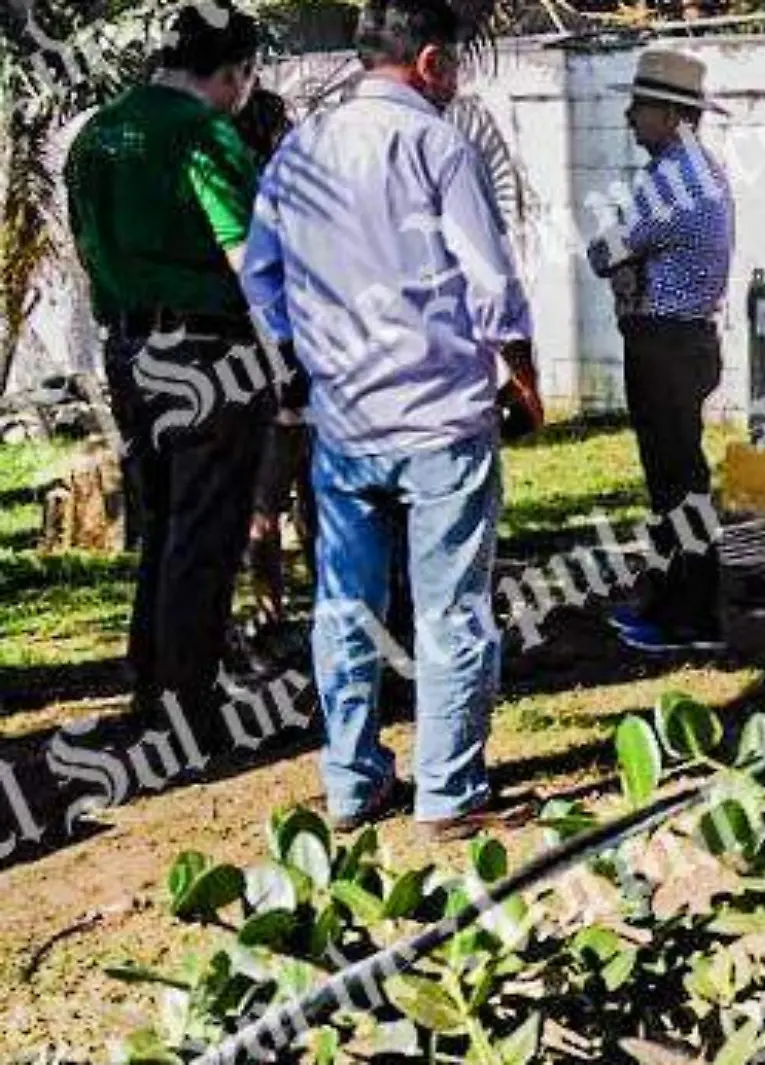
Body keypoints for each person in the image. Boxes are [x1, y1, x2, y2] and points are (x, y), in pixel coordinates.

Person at [241, 0, 543, 839]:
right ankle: (448, 792)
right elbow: (491, 284)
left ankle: (351, 779)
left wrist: (306, 349)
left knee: (344, 604)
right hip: (441, 418)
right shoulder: (437, 144)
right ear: (433, 62)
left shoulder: (300, 148)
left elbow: (260, 274)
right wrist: (523, 378)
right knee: (450, 608)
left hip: (344, 423)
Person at [64, 1, 269, 740]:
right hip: (208, 352)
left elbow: (88, 249)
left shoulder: (97, 133)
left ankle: (151, 681)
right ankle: (190, 704)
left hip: (128, 348)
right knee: (207, 525)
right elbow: (250, 257)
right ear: (235, 72)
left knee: (163, 523)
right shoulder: (200, 133)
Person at [585, 50, 735, 655]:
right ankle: (672, 601)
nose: (628, 117)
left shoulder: (671, 180)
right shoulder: (704, 169)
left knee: (675, 485)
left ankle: (688, 617)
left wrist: (624, 264)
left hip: (665, 342)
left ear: (672, 114)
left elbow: (604, 253)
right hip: (688, 339)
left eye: (640, 106)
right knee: (679, 480)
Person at [231, 88, 316, 657]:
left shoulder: (243, 202)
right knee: (315, 496)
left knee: (264, 502)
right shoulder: (297, 198)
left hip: (256, 366)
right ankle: (334, 600)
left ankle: (269, 609)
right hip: (305, 361)